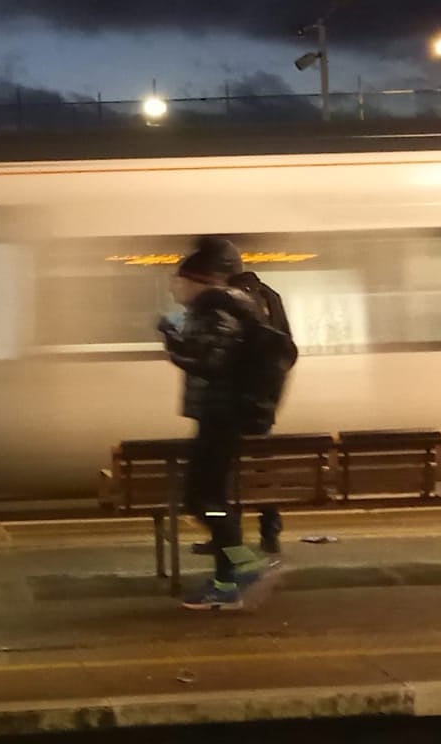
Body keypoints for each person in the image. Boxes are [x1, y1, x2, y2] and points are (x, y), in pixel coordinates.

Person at [159, 242, 272, 609]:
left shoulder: (218, 309)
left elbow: (209, 362)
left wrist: (172, 341)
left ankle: (240, 570)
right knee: (212, 500)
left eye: (179, 280)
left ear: (198, 281)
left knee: (203, 500)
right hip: (220, 415)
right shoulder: (222, 308)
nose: (174, 287)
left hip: (220, 416)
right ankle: (230, 579)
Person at [175, 237, 295, 557]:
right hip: (257, 403)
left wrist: (178, 348)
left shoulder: (226, 305)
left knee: (215, 488)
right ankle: (264, 535)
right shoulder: (267, 297)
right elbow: (285, 349)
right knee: (257, 469)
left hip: (227, 407)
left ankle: (234, 552)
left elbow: (213, 360)